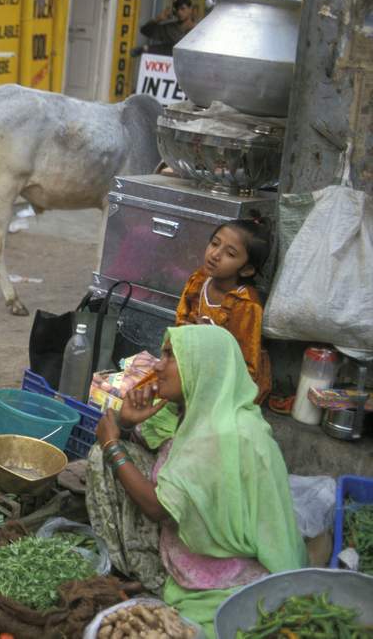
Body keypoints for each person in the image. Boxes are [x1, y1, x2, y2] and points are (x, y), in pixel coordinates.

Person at [87, 326, 305, 637]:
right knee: (108, 458)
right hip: (193, 538)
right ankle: (152, 571)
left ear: (204, 368)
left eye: (171, 357)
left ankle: (158, 576)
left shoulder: (223, 433)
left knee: (108, 455)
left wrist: (112, 445)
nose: (158, 365)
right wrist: (123, 422)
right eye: (162, 354)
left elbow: (156, 507)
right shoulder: (199, 410)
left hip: (229, 569)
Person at [175, 218, 272, 404]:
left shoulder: (245, 304)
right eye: (214, 244)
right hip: (196, 365)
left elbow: (247, 367)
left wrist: (209, 339)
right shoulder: (199, 280)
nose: (215, 255)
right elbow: (180, 322)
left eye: (230, 254)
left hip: (231, 381)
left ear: (247, 270)